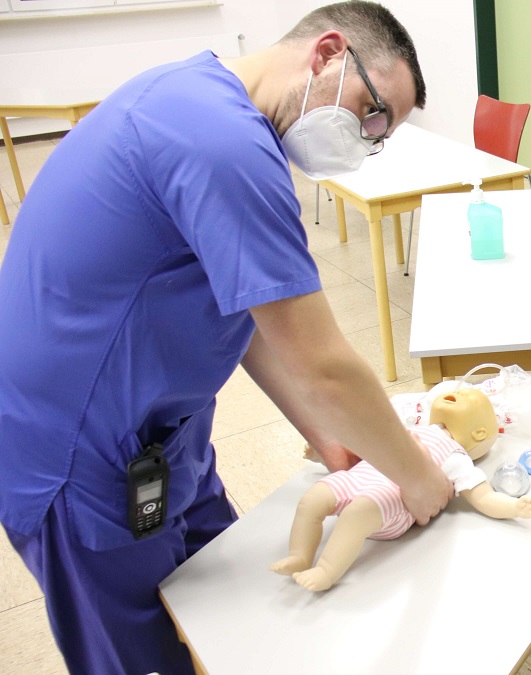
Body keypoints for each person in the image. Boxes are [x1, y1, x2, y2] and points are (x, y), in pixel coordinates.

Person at [0, 3, 453, 673]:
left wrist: (328, 434)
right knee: (143, 653)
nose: (366, 138)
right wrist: (419, 478)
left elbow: (248, 315)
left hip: (162, 438)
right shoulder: (220, 141)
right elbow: (323, 365)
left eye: (381, 134)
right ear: (328, 53)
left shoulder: (196, 97)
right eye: (371, 111)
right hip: (80, 458)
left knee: (234, 623)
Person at [271, 388, 531, 592]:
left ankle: (327, 571)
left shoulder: (456, 458)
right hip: (360, 476)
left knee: (357, 513)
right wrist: (324, 454)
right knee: (312, 499)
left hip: (392, 502)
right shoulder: (409, 428)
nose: (455, 393)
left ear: (480, 433)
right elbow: (364, 446)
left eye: (465, 398)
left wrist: (514, 507)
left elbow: (484, 497)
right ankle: (299, 555)